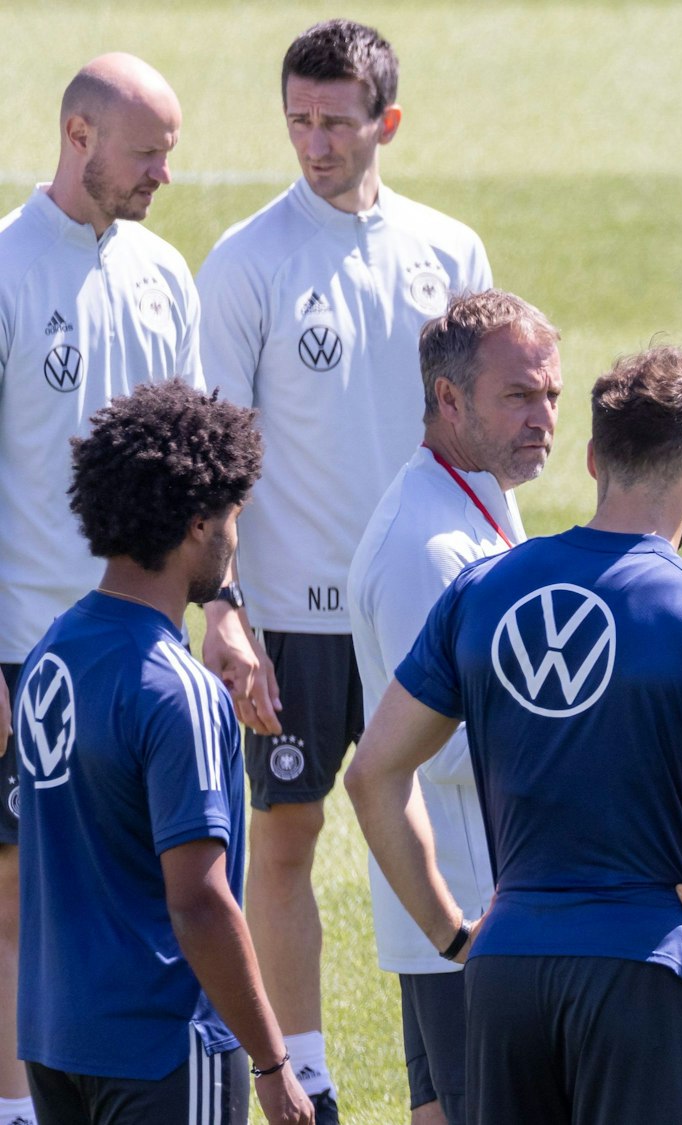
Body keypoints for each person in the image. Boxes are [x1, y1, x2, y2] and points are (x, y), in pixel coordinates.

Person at [346, 339, 682, 1125]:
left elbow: (372, 774)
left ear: (593, 459)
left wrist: (451, 935)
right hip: (647, 975)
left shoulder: (481, 591)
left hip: (506, 973)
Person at [195, 20, 494, 1117]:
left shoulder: (449, 253)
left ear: (387, 123)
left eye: (334, 122)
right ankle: (307, 1072)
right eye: (298, 121)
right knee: (289, 832)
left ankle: (447, 1077)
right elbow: (219, 454)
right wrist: (226, 606)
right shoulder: (247, 262)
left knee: (444, 825)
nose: (314, 143)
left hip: (425, 604)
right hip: (293, 611)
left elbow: (483, 431)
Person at [13, 382, 309, 1125]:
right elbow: (200, 901)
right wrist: (275, 1063)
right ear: (198, 523)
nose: (234, 541)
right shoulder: (179, 691)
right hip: (163, 1048)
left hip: (55, 1039)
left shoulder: (50, 656)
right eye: (233, 519)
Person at [0, 52, 200, 1125]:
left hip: (146, 652)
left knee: (147, 880)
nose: (163, 173)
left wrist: (230, 612)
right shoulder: (5, 270)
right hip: (26, 650)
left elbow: (202, 467)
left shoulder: (164, 272)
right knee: (17, 889)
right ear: (78, 138)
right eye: (147, 153)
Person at [347, 290, 560, 1125]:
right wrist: (585, 730)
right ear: (449, 399)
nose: (543, 417)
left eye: (550, 394)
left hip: (467, 911)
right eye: (519, 396)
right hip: (465, 918)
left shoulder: (479, 493)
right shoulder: (424, 547)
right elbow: (432, 748)